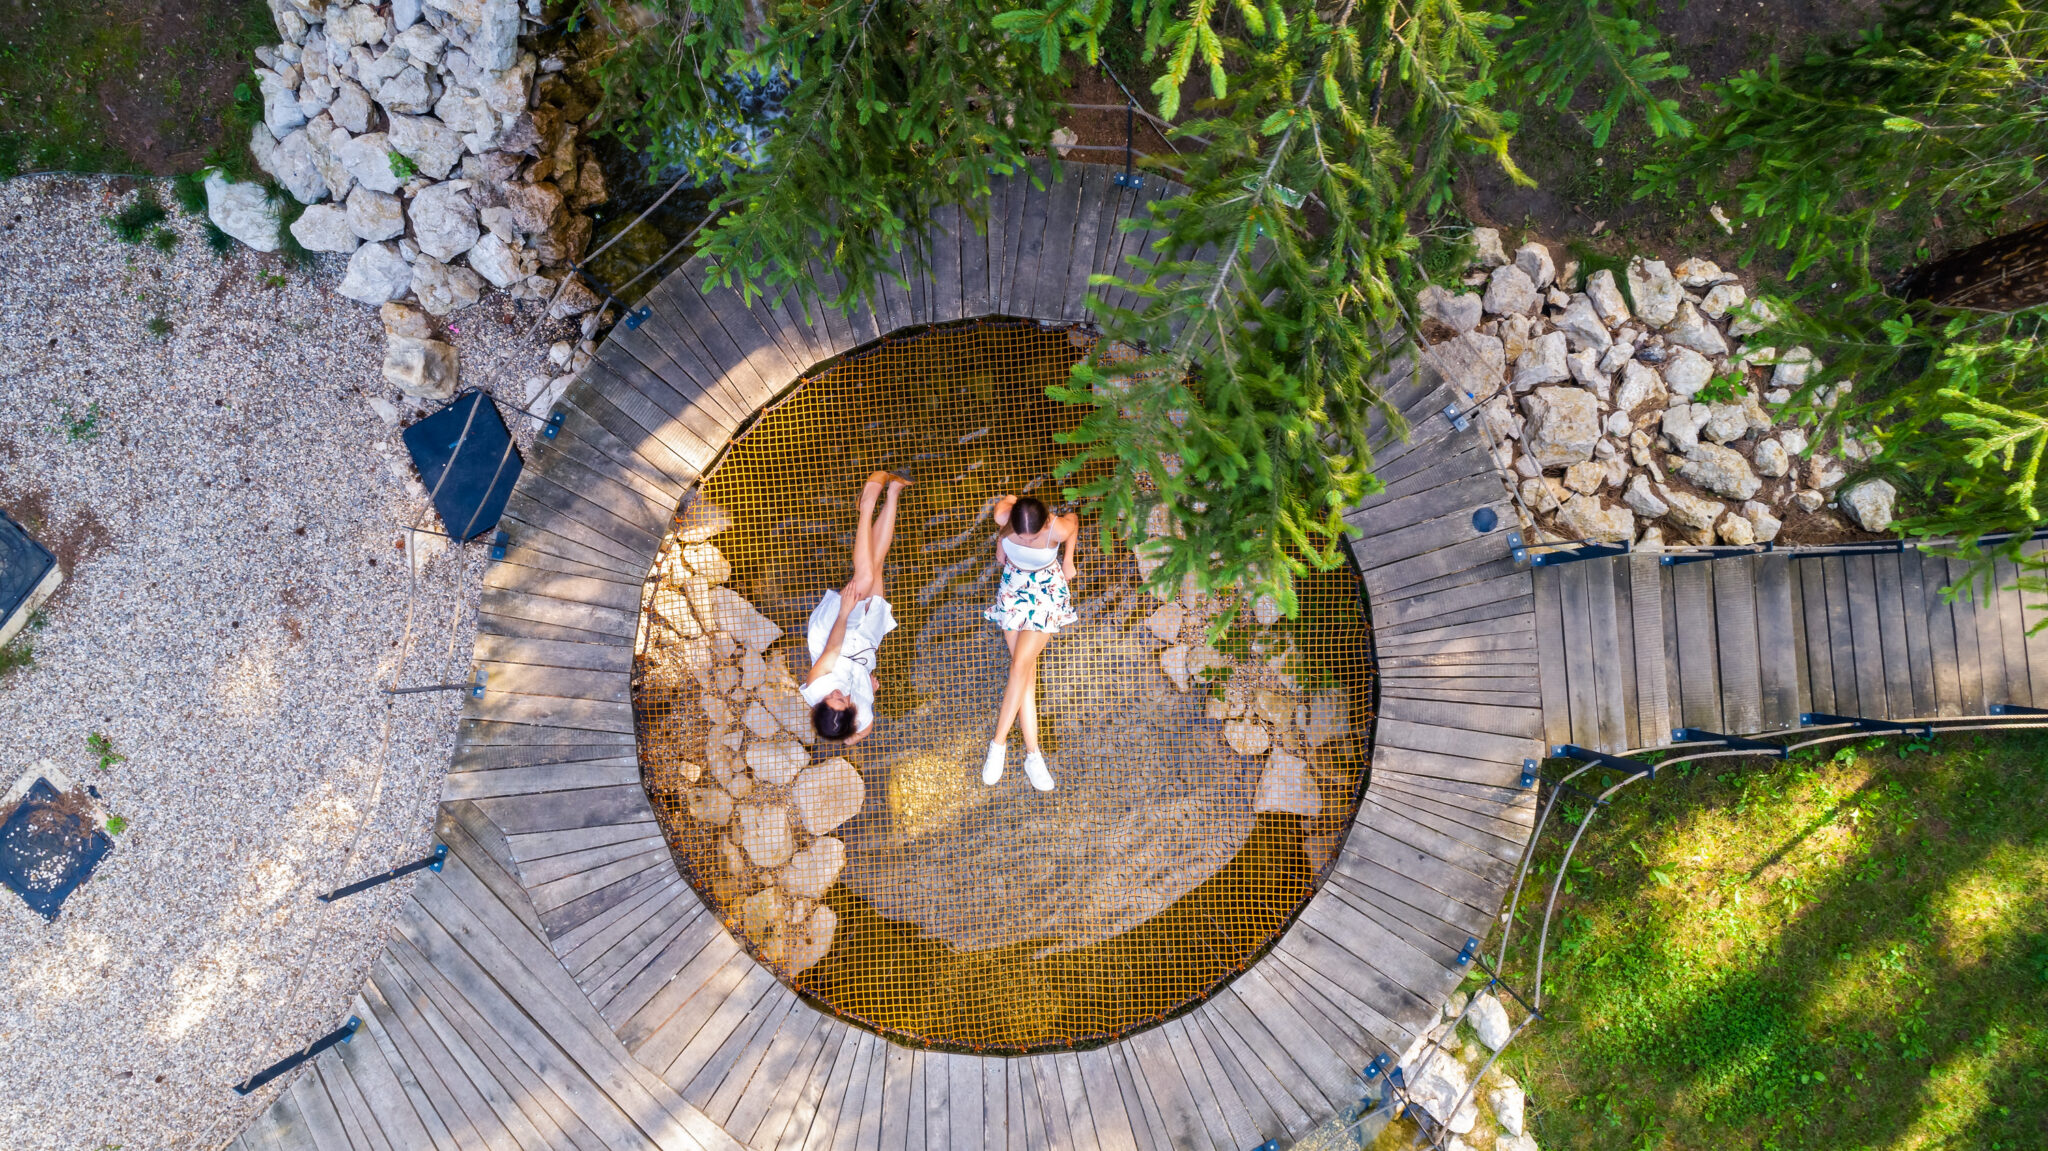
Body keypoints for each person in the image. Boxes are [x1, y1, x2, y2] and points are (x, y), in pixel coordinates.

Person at [801, 470, 912, 745]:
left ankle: (867, 505)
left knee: (863, 577)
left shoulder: (817, 686)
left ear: (820, 705)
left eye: (834, 698)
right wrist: (867, 690)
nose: (840, 694)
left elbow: (833, 650)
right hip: (864, 647)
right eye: (845, 701)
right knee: (877, 565)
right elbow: (861, 733)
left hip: (833, 632)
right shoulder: (857, 714)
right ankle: (894, 491)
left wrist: (845, 609)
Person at [980, 493, 1081, 790]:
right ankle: (1032, 755)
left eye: (1030, 537)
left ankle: (997, 745)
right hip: (1013, 587)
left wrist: (1069, 560)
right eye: (1018, 537)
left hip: (1046, 592)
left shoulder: (1056, 527)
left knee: (1019, 666)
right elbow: (1005, 510)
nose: (1024, 541)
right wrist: (1002, 543)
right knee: (1024, 675)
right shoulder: (1003, 516)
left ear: (1045, 523)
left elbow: (1074, 523)